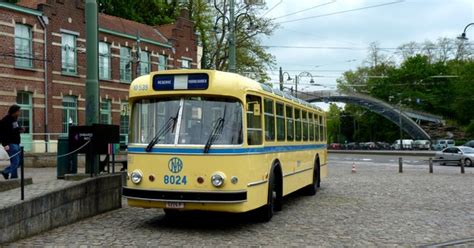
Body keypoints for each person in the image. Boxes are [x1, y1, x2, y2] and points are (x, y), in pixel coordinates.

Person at [0, 105, 23, 180]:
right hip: (10, 144)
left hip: (16, 143)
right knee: (16, 161)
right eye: (18, 111)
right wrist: (5, 144)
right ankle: (5, 171)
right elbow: (2, 133)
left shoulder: (14, 119)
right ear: (14, 111)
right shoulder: (5, 120)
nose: (19, 113)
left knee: (19, 161)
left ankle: (13, 176)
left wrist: (20, 129)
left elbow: (14, 130)